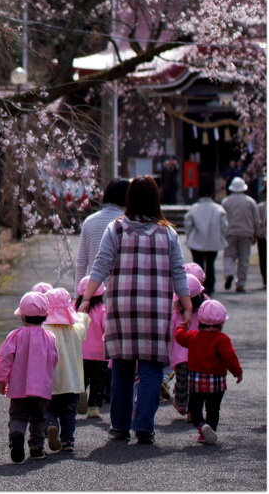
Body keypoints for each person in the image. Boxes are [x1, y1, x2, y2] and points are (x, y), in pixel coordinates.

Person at [78, 175, 192, 445]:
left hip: (122, 310)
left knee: (122, 370)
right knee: (152, 371)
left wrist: (86, 297)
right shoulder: (168, 233)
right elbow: (179, 271)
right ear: (156, 199)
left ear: (129, 199)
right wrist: (186, 304)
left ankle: (119, 426)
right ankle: (144, 427)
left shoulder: (115, 229)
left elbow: (101, 264)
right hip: (155, 311)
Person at [0, 292, 59, 463]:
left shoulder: (15, 336)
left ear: (22, 317)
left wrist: (2, 380)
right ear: (46, 316)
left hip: (18, 388)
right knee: (39, 418)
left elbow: (4, 359)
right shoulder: (49, 337)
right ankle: (36, 448)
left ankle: (16, 435)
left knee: (18, 416)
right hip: (41, 389)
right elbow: (54, 359)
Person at [174, 300, 242, 445]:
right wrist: (237, 373)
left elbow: (180, 337)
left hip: (196, 381)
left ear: (199, 320)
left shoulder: (193, 336)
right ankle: (210, 431)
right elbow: (230, 358)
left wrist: (182, 327)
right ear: (222, 323)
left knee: (194, 408)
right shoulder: (222, 339)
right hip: (217, 382)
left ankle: (202, 426)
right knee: (213, 409)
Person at [42, 288, 89, 453]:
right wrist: (82, 314)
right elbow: (83, 324)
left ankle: (50, 426)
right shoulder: (75, 330)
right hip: (72, 382)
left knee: (48, 409)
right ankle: (68, 441)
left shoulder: (44, 331)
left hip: (50, 382)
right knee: (69, 413)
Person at [75, 178, 131, 284]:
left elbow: (81, 263)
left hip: (94, 292)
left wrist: (79, 296)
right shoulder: (129, 223)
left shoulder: (89, 221)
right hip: (121, 292)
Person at [168, 274, 207, 417]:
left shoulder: (176, 313)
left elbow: (169, 331)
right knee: (196, 385)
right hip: (199, 355)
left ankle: (181, 404)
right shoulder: (204, 312)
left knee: (181, 382)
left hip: (181, 356)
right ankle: (193, 411)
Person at [183, 180, 228, 295]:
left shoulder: (194, 208)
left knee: (197, 265)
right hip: (213, 241)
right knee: (210, 264)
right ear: (212, 195)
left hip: (196, 240)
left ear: (198, 194)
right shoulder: (218, 209)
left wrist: (189, 236)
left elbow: (188, 224)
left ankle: (197, 286)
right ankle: (210, 286)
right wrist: (221, 235)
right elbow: (224, 226)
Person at [75, 276, 106, 419]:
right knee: (97, 381)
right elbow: (106, 328)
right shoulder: (101, 310)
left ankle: (80, 394)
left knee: (82, 378)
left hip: (79, 353)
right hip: (99, 354)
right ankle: (93, 408)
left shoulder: (74, 308)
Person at [221, 176, 259, 293]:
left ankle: (229, 273)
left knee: (229, 256)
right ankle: (240, 283)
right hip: (246, 233)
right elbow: (256, 220)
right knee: (243, 259)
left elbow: (221, 219)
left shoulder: (226, 201)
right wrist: (255, 234)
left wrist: (222, 233)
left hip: (230, 232)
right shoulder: (250, 202)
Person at [257, 195, 266, 289]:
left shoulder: (260, 207)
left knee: (263, 259)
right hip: (262, 235)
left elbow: (257, 221)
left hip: (262, 235)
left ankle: (265, 279)